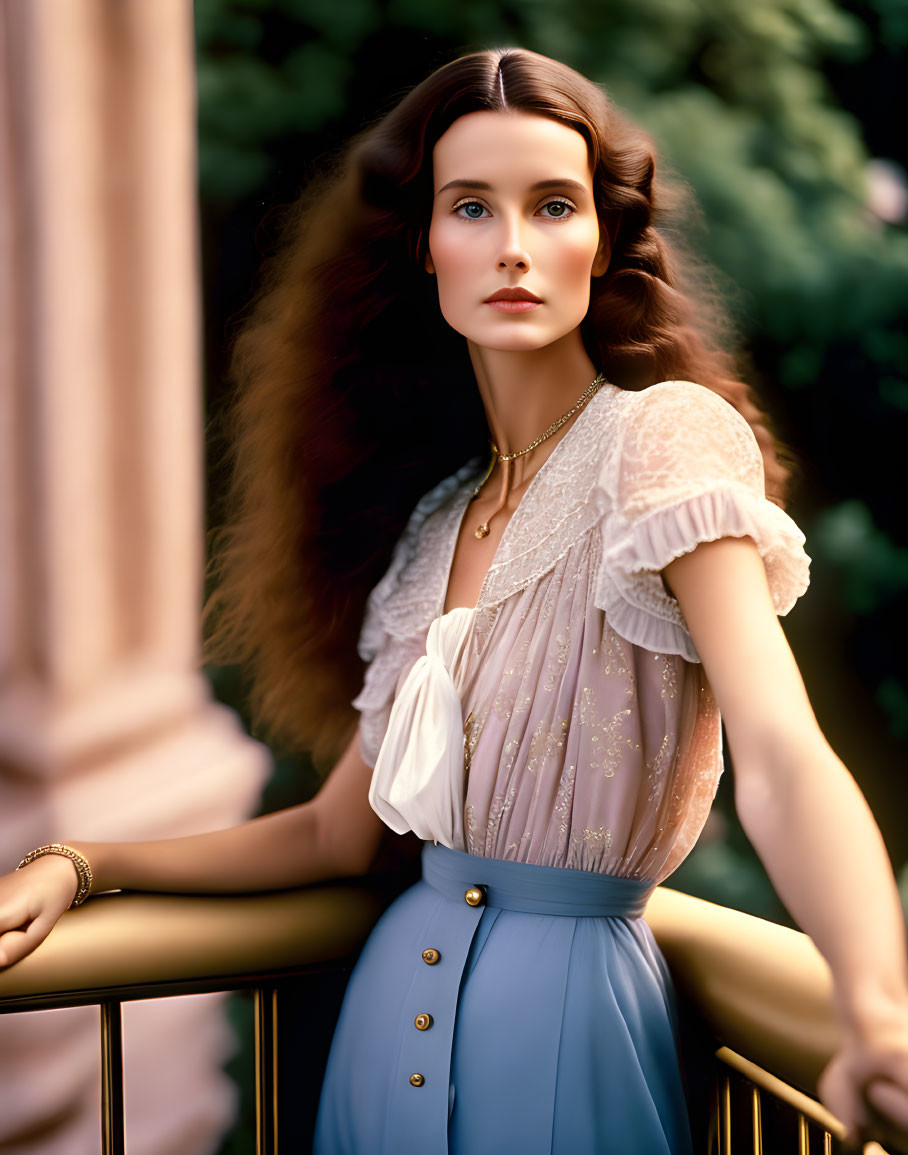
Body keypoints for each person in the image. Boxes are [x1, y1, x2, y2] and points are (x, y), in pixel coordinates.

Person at [2, 46, 907, 1155]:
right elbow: (336, 834)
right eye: (471, 207)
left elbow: (779, 752)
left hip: (567, 1040)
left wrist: (869, 1004)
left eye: (553, 205)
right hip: (381, 1039)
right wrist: (88, 862)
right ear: (424, 249)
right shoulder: (437, 523)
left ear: (604, 240)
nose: (513, 248)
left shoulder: (661, 442)